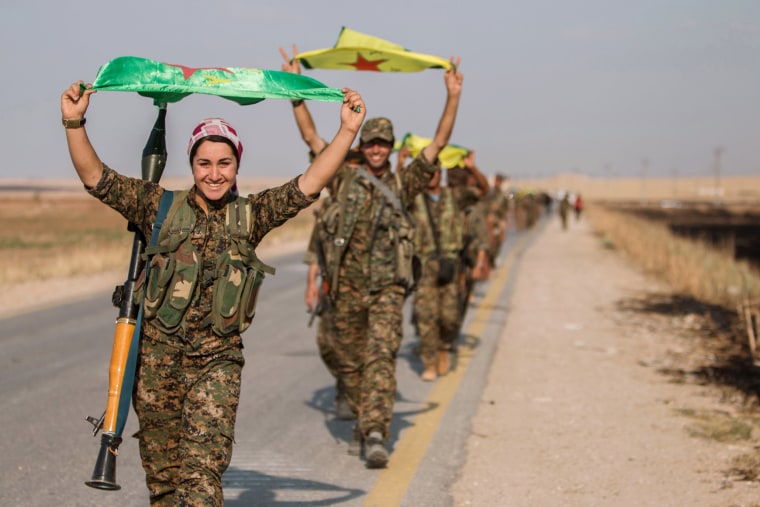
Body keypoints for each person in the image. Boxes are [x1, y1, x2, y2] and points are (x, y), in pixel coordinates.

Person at [61, 80, 365, 506]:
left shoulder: (250, 216)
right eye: (204, 163)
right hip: (155, 367)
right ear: (192, 164)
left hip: (216, 364)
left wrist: (348, 132)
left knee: (201, 478)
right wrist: (74, 122)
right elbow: (97, 178)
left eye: (225, 162)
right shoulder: (159, 207)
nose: (215, 173)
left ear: (237, 165)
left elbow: (308, 185)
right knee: (164, 487)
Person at [280, 45, 464, 468]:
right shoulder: (341, 176)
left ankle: (377, 431)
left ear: (391, 145)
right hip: (345, 290)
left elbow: (438, 143)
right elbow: (311, 138)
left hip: (387, 290)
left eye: (384, 143)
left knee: (381, 356)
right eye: (372, 142)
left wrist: (452, 95)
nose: (378, 149)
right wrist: (295, 92)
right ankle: (365, 417)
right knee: (348, 359)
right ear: (363, 145)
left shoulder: (404, 184)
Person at [404, 150, 489, 381]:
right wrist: (401, 162)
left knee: (450, 316)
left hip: (450, 264)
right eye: (427, 171)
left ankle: (443, 346)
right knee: (425, 315)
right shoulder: (413, 199)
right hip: (423, 265)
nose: (431, 175)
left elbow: (483, 191)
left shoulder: (455, 196)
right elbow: (395, 190)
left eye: (435, 171)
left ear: (440, 174)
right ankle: (430, 361)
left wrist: (473, 168)